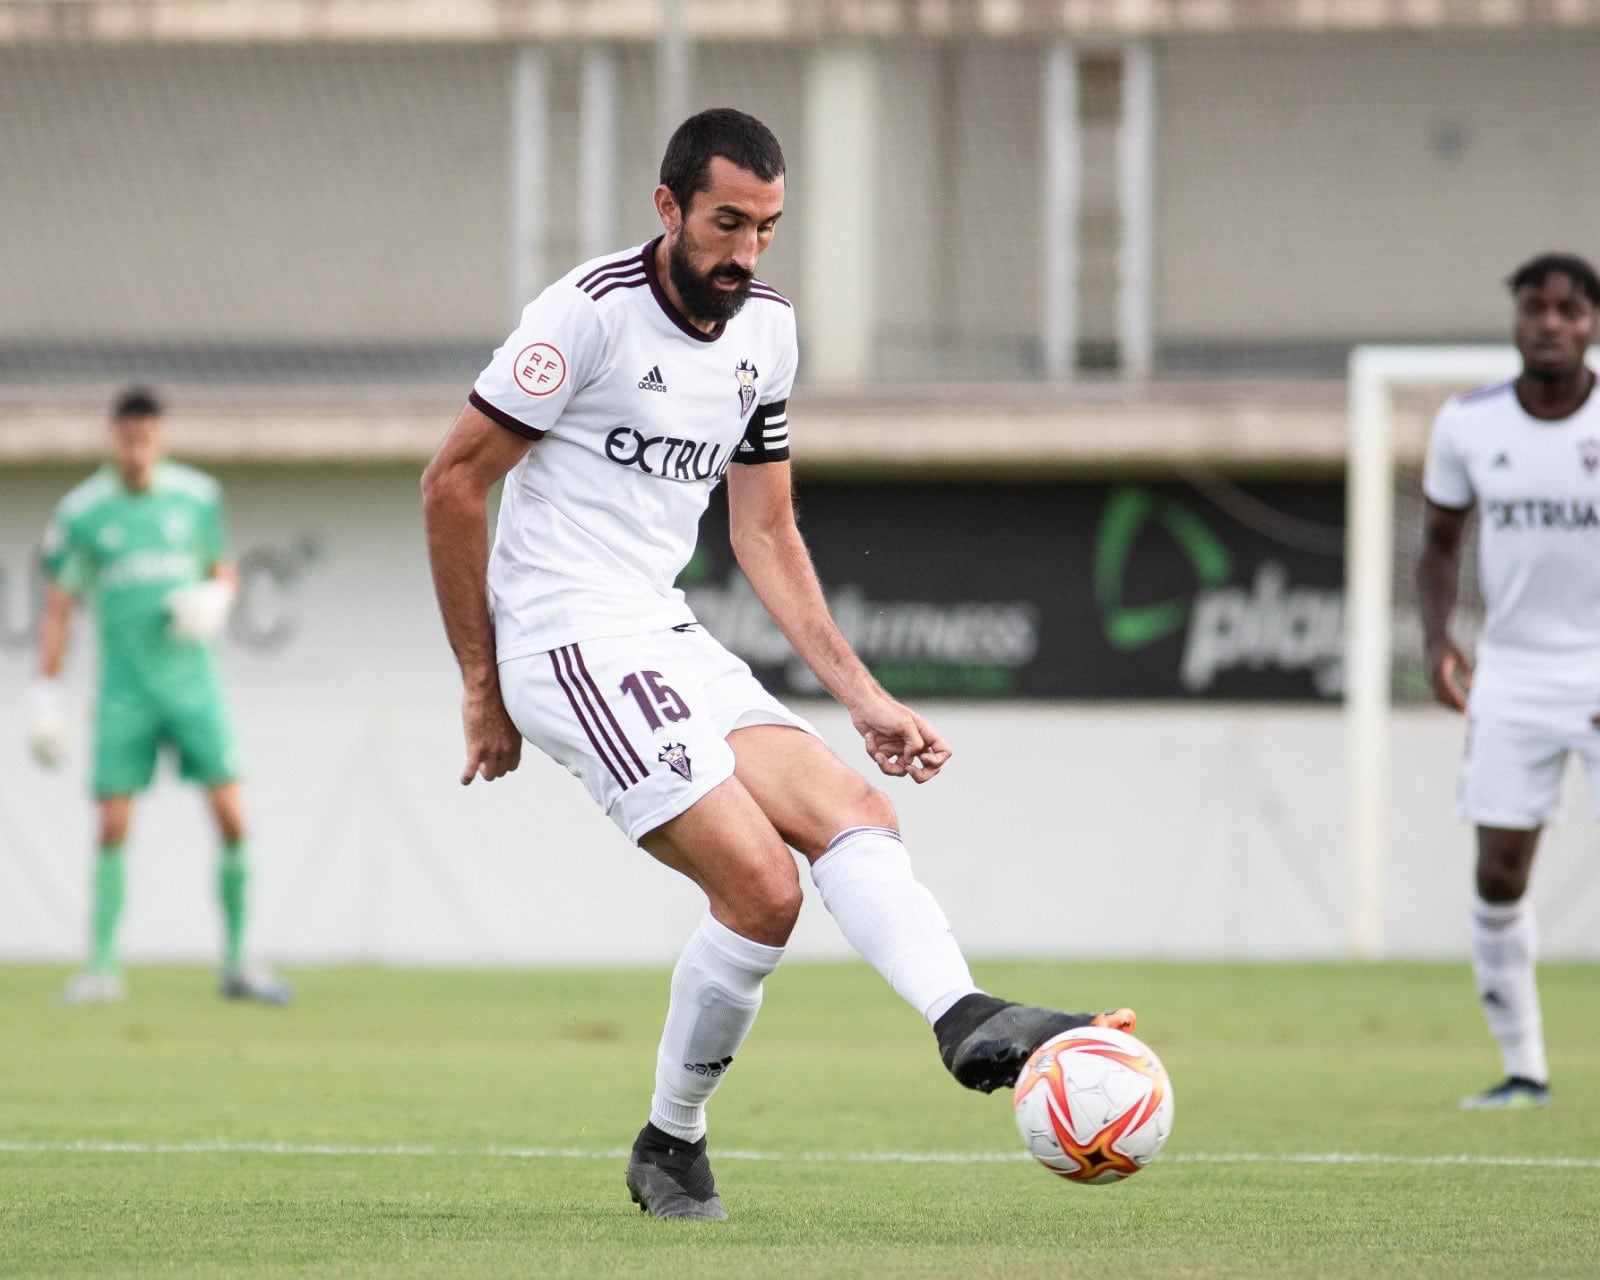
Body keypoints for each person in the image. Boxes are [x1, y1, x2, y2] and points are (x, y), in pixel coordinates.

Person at [421, 108, 1133, 1219]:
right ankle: (676, 1139)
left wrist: (864, 696)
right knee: (761, 888)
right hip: (563, 638)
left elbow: (765, 531)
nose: (745, 252)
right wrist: (482, 682)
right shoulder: (586, 317)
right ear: (666, 208)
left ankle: (958, 1013)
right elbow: (451, 482)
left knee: (854, 809)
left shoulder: (767, 333)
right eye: (725, 222)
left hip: (657, 628)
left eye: (767, 228)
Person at [28, 387, 290, 1007]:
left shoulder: (196, 498)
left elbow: (222, 568)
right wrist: (45, 693)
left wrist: (219, 599)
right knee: (113, 823)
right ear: (112, 438)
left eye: (147, 437)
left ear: (160, 437)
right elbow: (59, 604)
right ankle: (100, 968)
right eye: (128, 437)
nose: (137, 448)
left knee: (230, 815)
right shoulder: (83, 512)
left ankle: (237, 962)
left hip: (194, 685)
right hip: (125, 691)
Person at [1418, 251, 1600, 1110]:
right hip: (1517, 674)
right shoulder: (1468, 423)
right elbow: (1441, 547)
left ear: (1593, 322)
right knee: (1498, 873)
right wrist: (1435, 640)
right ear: (1516, 320)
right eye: (1538, 307)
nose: (1553, 322)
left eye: (1571, 309)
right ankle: (1525, 1071)